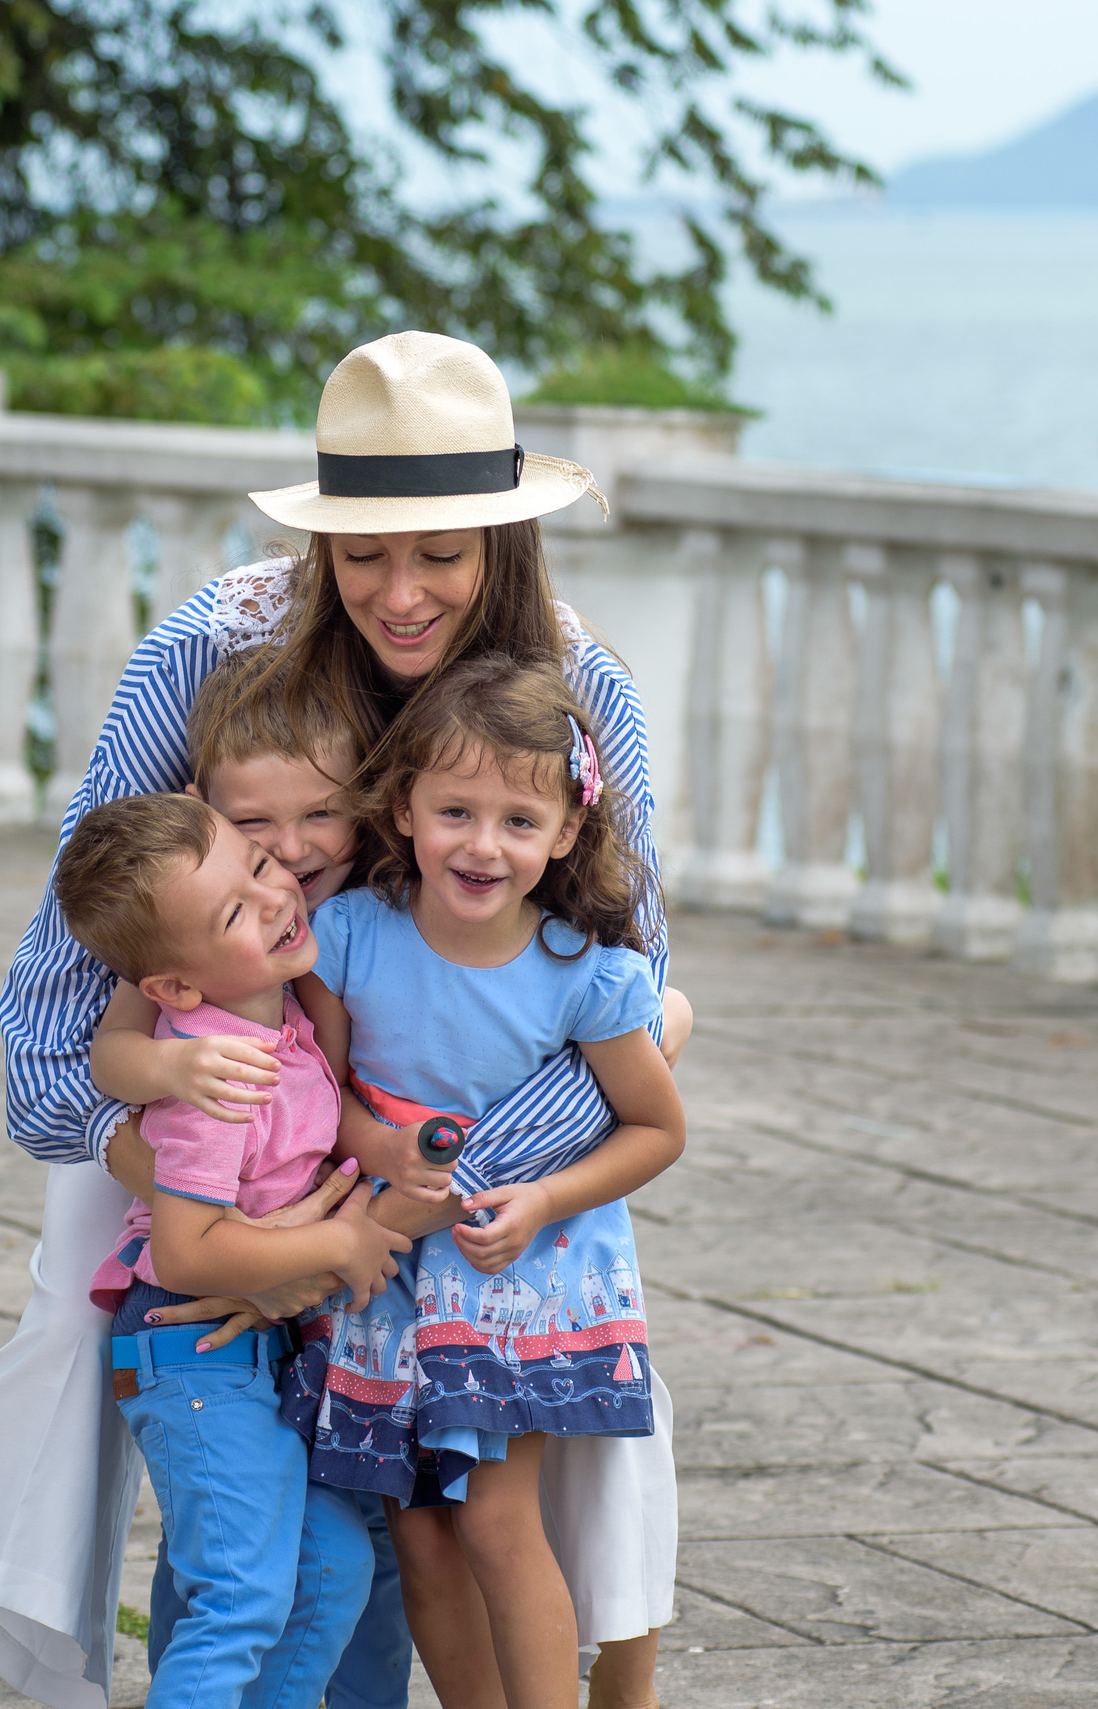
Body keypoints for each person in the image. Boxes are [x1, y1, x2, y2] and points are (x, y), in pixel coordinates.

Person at [0, 329, 689, 1709]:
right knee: (72, 1323)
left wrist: (376, 1205)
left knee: (580, 1357)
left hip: (446, 1132)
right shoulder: (210, 643)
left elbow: (630, 961)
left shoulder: (579, 684)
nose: (400, 592)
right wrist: (193, 1198)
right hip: (203, 1080)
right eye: (364, 554)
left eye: (439, 552)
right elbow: (60, 975)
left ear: (502, 539)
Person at [287, 655, 684, 1709]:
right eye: (454, 809)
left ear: (565, 830)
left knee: (497, 1521)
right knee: (417, 1532)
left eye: (519, 818)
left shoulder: (585, 971)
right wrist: (388, 1158)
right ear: (402, 805)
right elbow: (319, 1094)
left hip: (515, 1272)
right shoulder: (350, 936)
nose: (481, 842)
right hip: (389, 1271)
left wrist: (545, 1198)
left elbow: (654, 1126)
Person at [52, 793, 412, 1709]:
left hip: (256, 1350)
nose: (275, 896)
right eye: (233, 913)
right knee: (243, 1596)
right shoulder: (218, 1072)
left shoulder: (278, 1015)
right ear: (172, 985)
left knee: (331, 1570)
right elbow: (182, 1252)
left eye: (259, 868)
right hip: (192, 1350)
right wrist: (338, 1240)